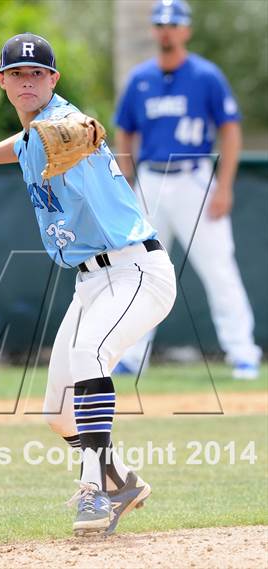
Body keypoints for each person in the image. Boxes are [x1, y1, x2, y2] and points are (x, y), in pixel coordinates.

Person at [0, 33, 176, 536]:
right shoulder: (31, 135)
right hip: (90, 284)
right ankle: (122, 481)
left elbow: (75, 128)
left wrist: (81, 129)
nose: (27, 81)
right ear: (2, 81)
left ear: (53, 80)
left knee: (91, 352)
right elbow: (26, 142)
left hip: (136, 271)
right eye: (17, 74)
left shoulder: (65, 122)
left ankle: (94, 493)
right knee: (58, 414)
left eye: (37, 73)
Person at [114, 0, 261, 380]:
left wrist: (224, 185)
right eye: (160, 23)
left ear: (186, 29)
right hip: (151, 179)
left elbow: (230, 129)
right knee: (142, 271)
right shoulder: (140, 78)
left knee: (218, 268)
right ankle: (132, 355)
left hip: (194, 177)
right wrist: (126, 181)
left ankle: (243, 352)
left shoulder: (205, 75)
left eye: (173, 24)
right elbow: (125, 130)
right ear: (153, 29)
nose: (166, 30)